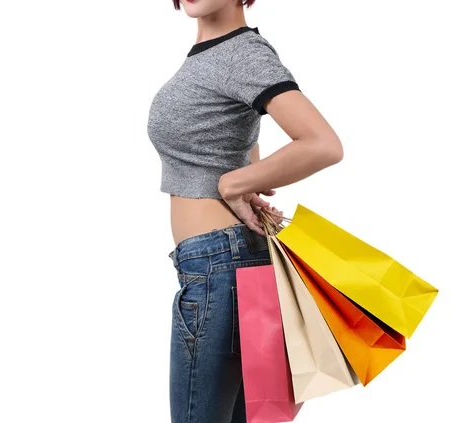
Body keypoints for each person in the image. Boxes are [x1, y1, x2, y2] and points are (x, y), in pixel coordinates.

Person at [146, 1, 344, 421]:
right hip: (225, 263)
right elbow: (241, 144)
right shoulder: (213, 56)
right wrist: (247, 176)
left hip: (219, 267)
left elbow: (322, 144)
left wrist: (232, 184)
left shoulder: (242, 53)